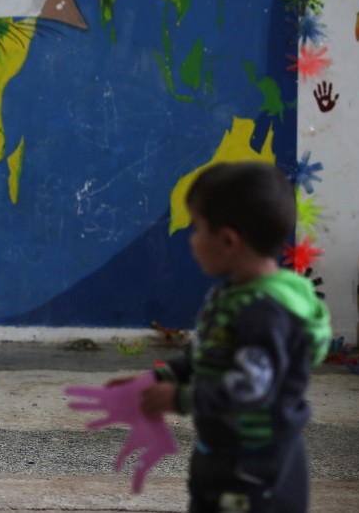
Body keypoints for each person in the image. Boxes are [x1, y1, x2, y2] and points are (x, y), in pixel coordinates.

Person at [115, 162, 331, 511]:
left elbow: (250, 387)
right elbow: (204, 358)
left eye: (197, 229)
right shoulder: (231, 296)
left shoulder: (266, 312)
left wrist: (181, 398)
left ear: (229, 240)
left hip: (257, 469)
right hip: (220, 455)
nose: (192, 241)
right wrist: (157, 380)